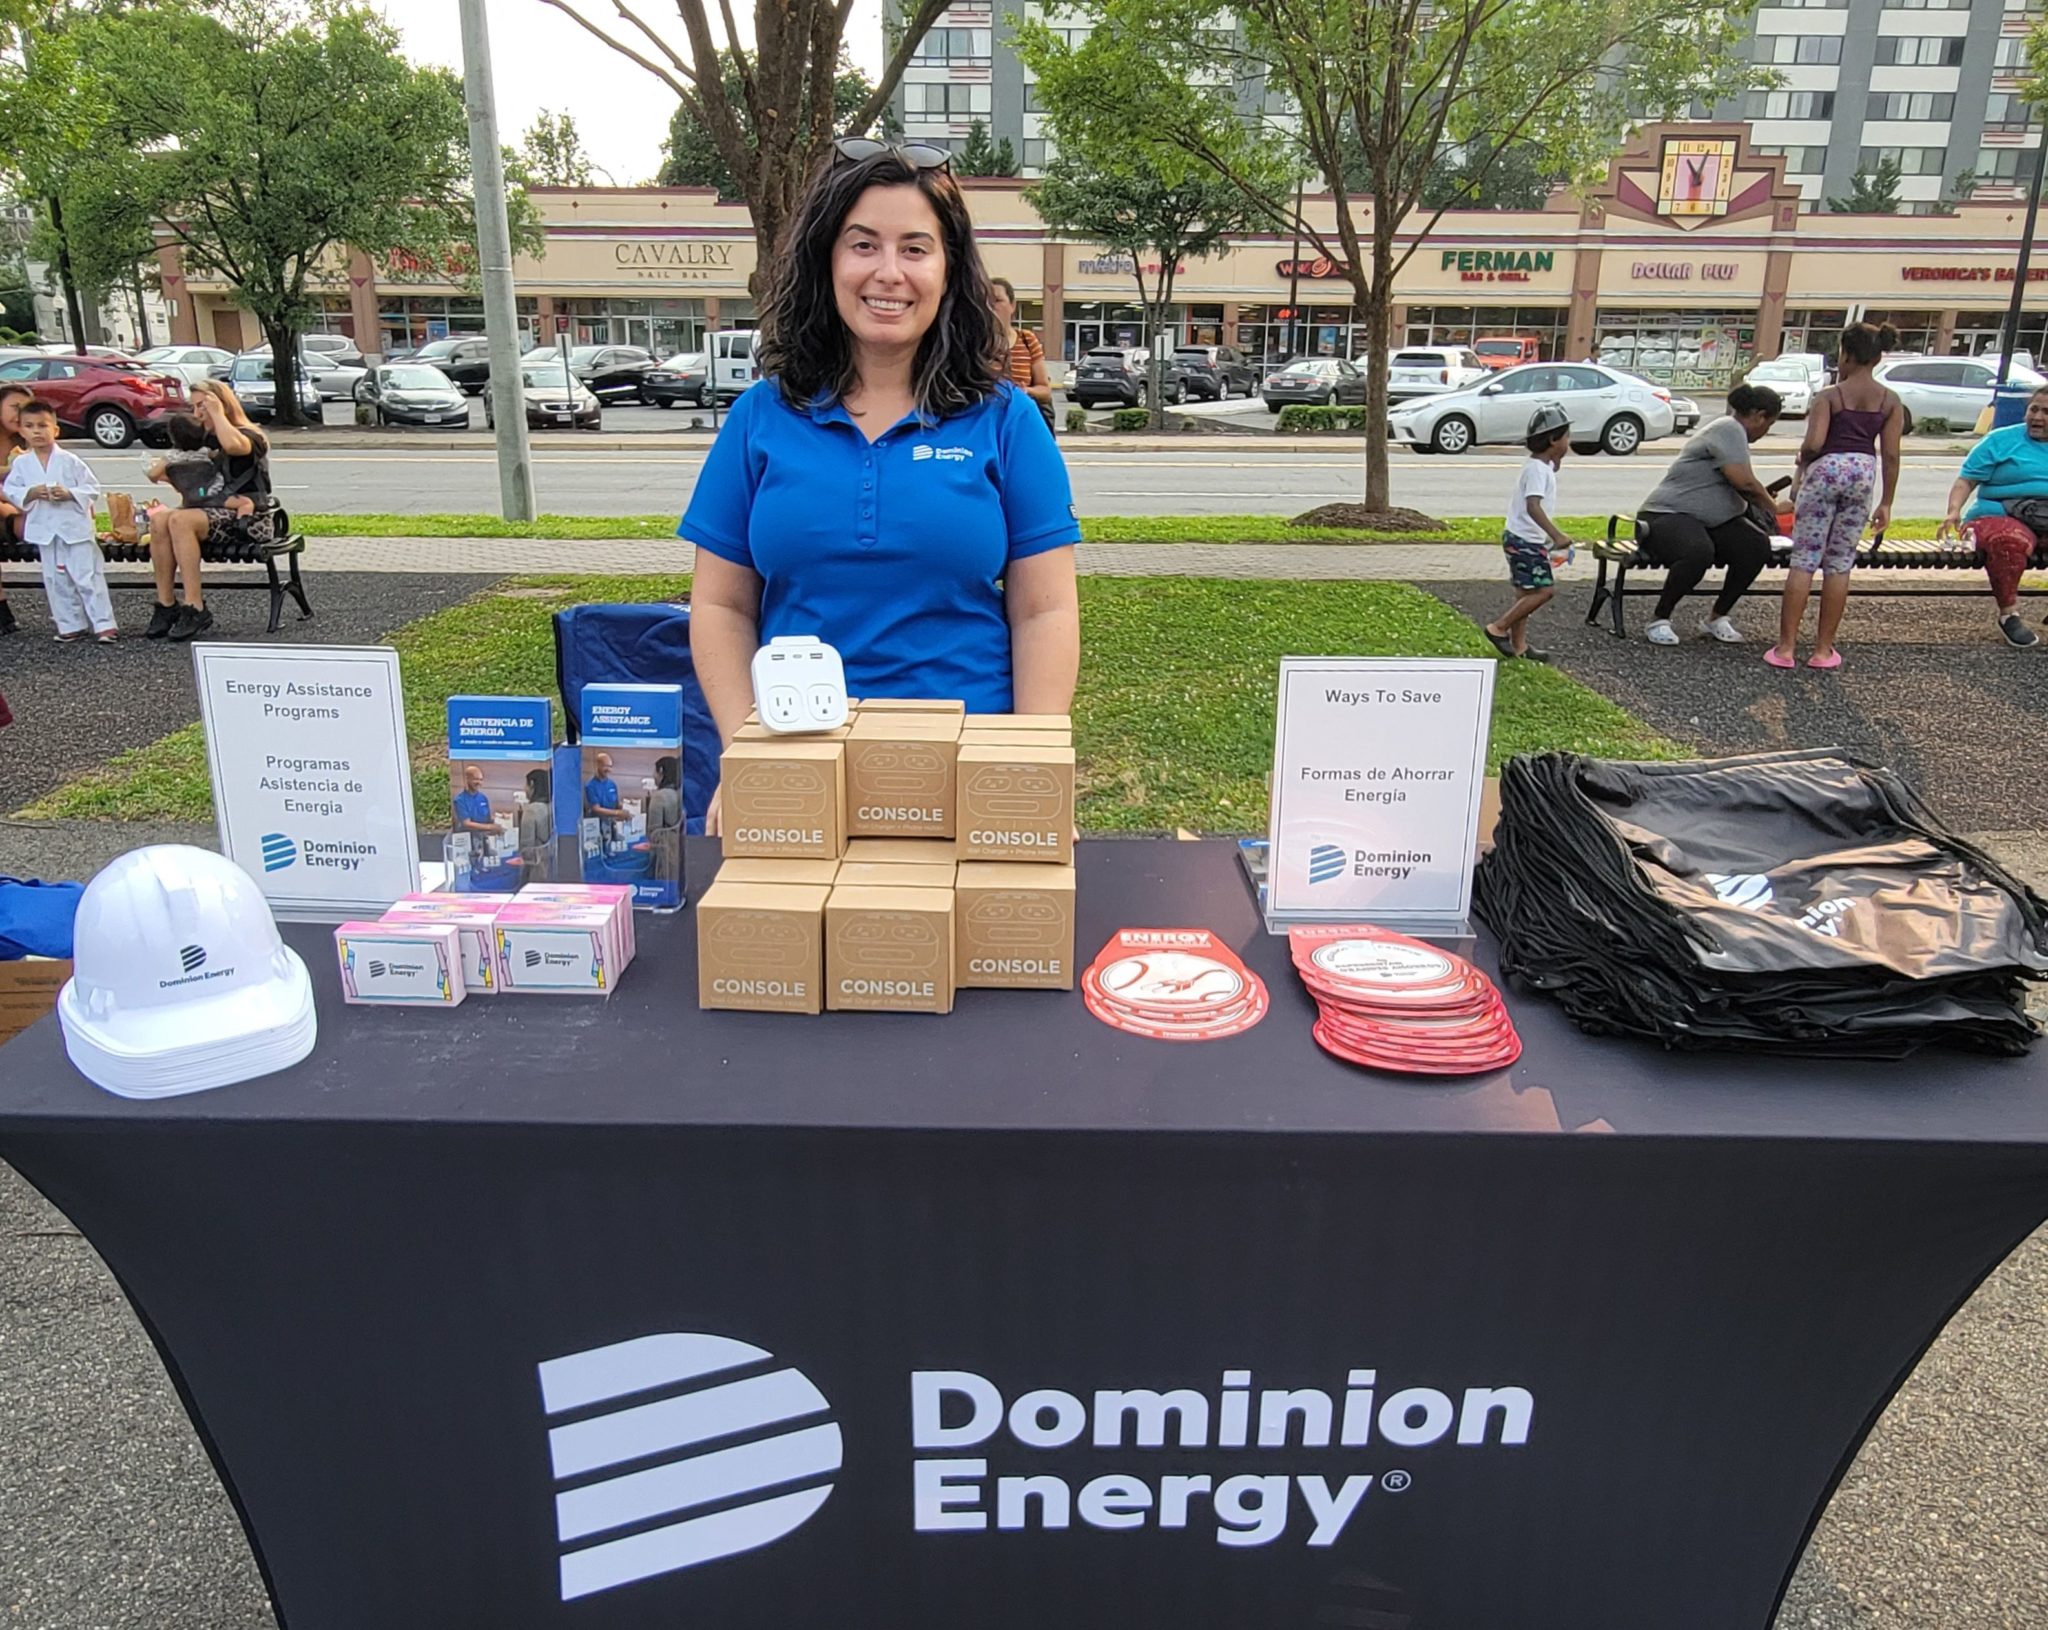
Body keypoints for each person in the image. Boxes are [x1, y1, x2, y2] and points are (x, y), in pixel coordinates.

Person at [680, 138, 1081, 833]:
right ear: (827, 261)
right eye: (863, 245)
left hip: (969, 763)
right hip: (799, 761)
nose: (888, 272)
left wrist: (1031, 765)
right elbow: (720, 605)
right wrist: (743, 751)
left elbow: (1044, 611)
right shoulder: (760, 419)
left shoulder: (1006, 420)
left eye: (915, 248)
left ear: (949, 270)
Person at [1768, 323, 1904, 671]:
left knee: (1805, 560)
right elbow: (1890, 455)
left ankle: (1785, 648)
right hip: (1862, 475)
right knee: (1839, 563)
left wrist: (1803, 460)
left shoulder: (1830, 396)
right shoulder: (1890, 401)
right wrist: (1886, 500)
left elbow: (1814, 444)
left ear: (1846, 353)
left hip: (1825, 474)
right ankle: (1823, 649)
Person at [1632, 382, 1785, 646]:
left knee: (1755, 546)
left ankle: (1717, 617)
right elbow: (1744, 482)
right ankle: (1659, 619)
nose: (1765, 432)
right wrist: (1775, 508)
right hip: (1664, 515)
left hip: (1708, 521)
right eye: (1768, 425)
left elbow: (1741, 489)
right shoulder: (1728, 428)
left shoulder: (1733, 432)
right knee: (1698, 551)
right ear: (1758, 415)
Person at [146, 378, 275, 642]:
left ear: (220, 403)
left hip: (248, 517)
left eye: (202, 405)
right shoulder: (201, 439)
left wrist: (217, 414)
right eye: (194, 407)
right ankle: (167, 604)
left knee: (181, 520)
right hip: (207, 510)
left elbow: (234, 447)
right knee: (160, 521)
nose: (197, 413)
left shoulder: (249, 435)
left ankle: (195, 606)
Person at [1936, 382, 2048, 648]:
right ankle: (2009, 615)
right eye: (2034, 409)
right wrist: (1954, 511)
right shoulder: (2001, 440)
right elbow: (1966, 481)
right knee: (2008, 542)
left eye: (2046, 412)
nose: (2038, 417)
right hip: (1998, 513)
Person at [1, 399, 113, 643]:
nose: (37, 431)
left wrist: (70, 493)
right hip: (45, 529)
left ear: (55, 430)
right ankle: (70, 624)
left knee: (87, 576)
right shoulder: (21, 463)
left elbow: (91, 487)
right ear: (21, 430)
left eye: (43, 425)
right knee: (54, 579)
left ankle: (104, 624)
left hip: (73, 527)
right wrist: (30, 493)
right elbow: (12, 490)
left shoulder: (70, 461)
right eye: (29, 426)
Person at [1483, 405, 1577, 662]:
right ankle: (1498, 628)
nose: (1570, 442)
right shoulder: (1536, 470)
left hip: (1521, 538)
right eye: (1567, 437)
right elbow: (1532, 505)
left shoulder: (1540, 466)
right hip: (1526, 540)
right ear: (1553, 440)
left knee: (1525, 594)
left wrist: (1555, 461)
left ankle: (1520, 646)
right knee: (1544, 591)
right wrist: (1556, 535)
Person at [989, 275, 1055, 430]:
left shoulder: (1027, 339)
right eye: (985, 301)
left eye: (997, 300)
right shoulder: (973, 344)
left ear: (1012, 305)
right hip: (988, 426)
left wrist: (1025, 391)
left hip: (1022, 426)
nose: (991, 306)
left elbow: (1045, 390)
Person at [0, 380, 31, 637]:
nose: (19, 414)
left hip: (31, 514)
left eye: (26, 408)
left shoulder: (29, 442)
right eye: (14, 407)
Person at [647, 755, 682, 881]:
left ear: (661, 771)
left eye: (654, 771)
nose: (653, 775)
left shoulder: (659, 797)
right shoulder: (681, 794)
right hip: (682, 850)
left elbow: (654, 833)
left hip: (666, 854)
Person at [517, 767, 555, 882]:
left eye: (526, 785)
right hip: (553, 868)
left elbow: (526, 849)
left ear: (532, 784)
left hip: (537, 871)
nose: (524, 789)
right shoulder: (552, 807)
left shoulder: (531, 810)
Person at [583, 751, 625, 835]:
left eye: (610, 766)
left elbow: (617, 804)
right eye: (605, 766)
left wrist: (627, 806)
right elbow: (596, 809)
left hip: (612, 826)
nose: (608, 769)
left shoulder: (612, 784)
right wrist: (617, 813)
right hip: (597, 828)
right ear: (597, 765)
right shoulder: (590, 786)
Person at [452, 765, 497, 836]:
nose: (479, 782)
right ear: (467, 779)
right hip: (468, 838)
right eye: (475, 779)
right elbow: (466, 823)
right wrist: (489, 827)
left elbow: (488, 818)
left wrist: (499, 817)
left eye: (481, 779)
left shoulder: (483, 798)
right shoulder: (460, 800)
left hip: (484, 837)